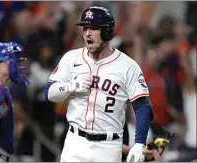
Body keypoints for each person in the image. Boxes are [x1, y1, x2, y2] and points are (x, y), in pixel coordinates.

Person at [44, 6, 154, 162]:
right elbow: (49, 93)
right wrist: (71, 86)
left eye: (94, 28)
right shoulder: (71, 58)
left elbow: (143, 107)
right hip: (76, 141)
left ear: (107, 31)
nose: (87, 33)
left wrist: (139, 143)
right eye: (85, 28)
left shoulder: (128, 66)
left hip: (108, 147)